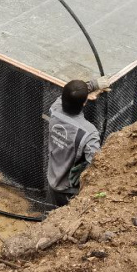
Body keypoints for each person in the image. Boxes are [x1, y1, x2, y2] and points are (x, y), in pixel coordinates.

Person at [45, 79, 102, 209]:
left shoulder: (54, 109)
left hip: (52, 180)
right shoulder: (89, 133)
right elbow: (97, 163)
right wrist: (94, 85)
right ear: (85, 102)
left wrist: (91, 85)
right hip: (70, 192)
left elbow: (67, 94)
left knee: (50, 214)